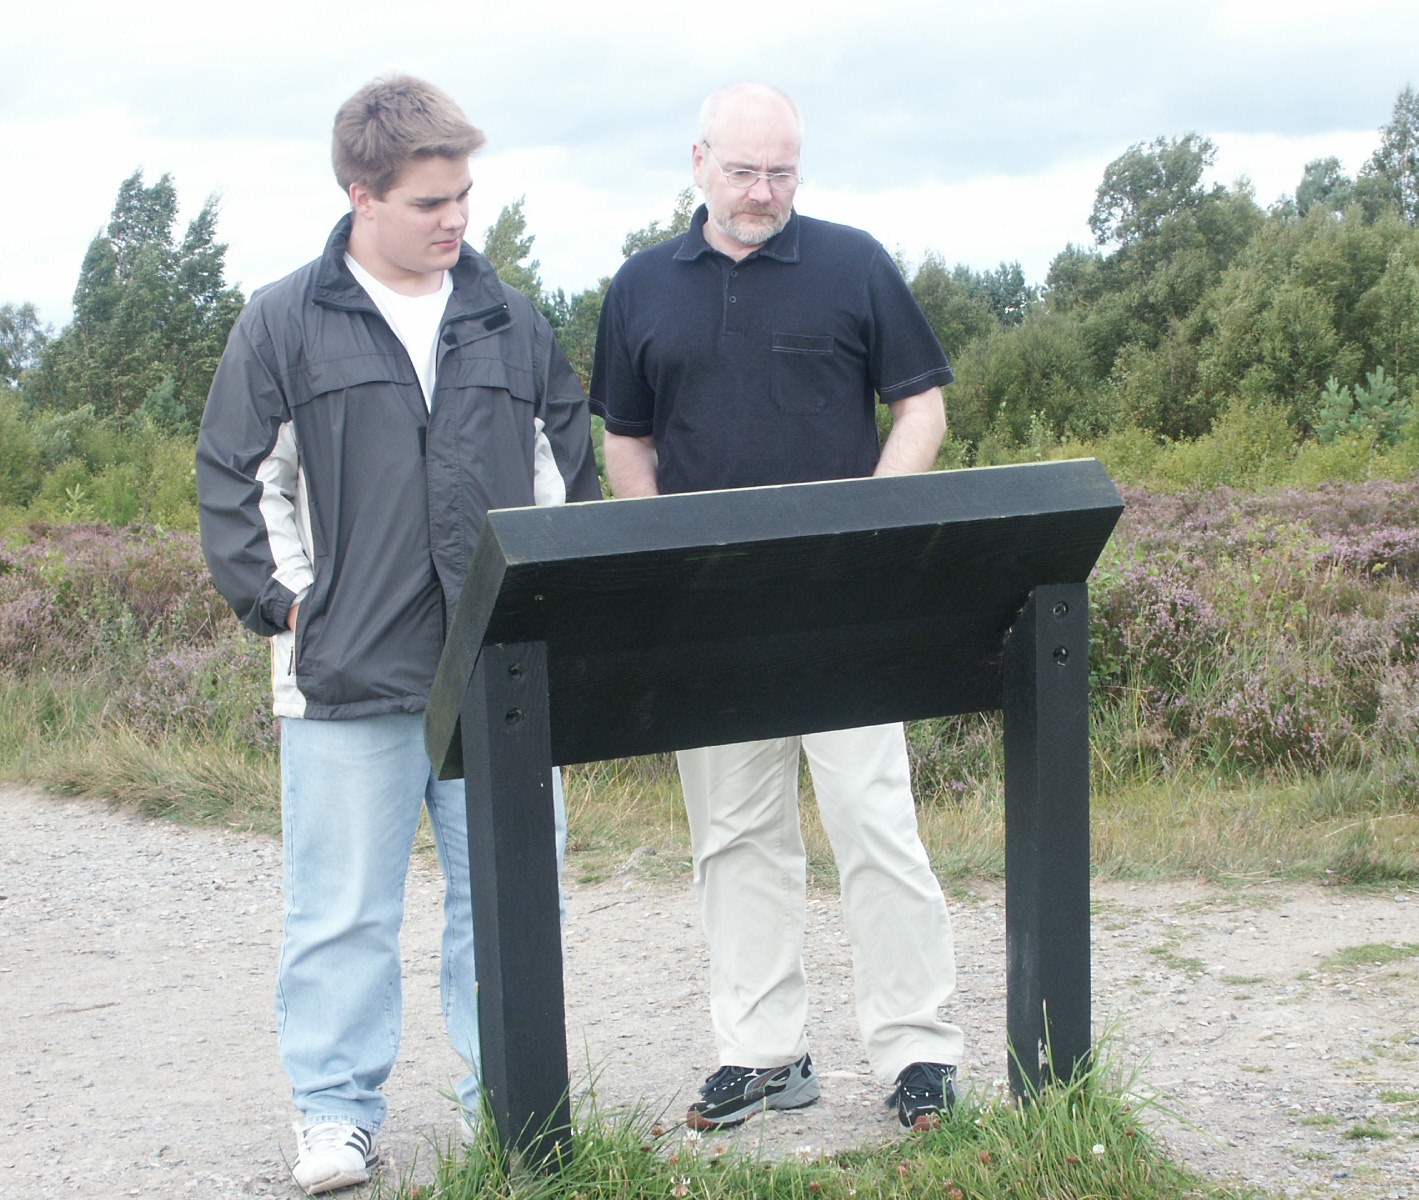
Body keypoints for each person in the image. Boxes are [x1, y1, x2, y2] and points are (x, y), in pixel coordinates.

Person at [196, 75, 599, 1195]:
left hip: (497, 672)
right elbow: (235, 483)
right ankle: (335, 1116)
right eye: (431, 200)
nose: (456, 218)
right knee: (340, 914)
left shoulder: (508, 318)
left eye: (464, 194)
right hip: (344, 678)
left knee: (511, 903)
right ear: (361, 193)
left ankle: (508, 1107)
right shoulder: (282, 322)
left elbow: (563, 469)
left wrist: (542, 611)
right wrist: (288, 611)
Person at [589, 81, 963, 1133]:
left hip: (845, 608)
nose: (763, 192)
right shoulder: (639, 286)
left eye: (782, 172)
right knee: (735, 839)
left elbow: (920, 405)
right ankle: (761, 1054)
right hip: (710, 613)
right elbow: (624, 437)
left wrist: (875, 533)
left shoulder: (853, 263)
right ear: (698, 160)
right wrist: (664, 556)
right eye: (745, 171)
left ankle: (919, 1055)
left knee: (875, 826)